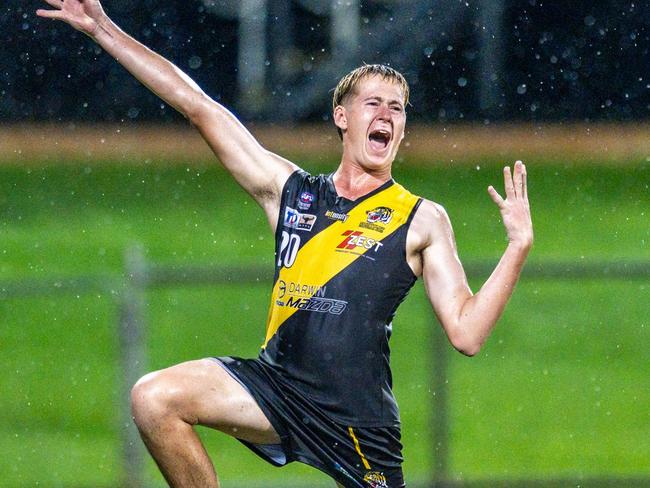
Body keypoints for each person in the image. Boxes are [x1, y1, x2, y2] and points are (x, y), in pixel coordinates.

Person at [37, 1, 533, 487]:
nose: (387, 114)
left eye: (397, 108)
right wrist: (103, 29)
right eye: (373, 103)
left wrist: (517, 248)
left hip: (356, 420)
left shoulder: (421, 218)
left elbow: (467, 334)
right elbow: (198, 107)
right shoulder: (291, 191)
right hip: (275, 390)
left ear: (401, 130)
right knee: (153, 398)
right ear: (342, 117)